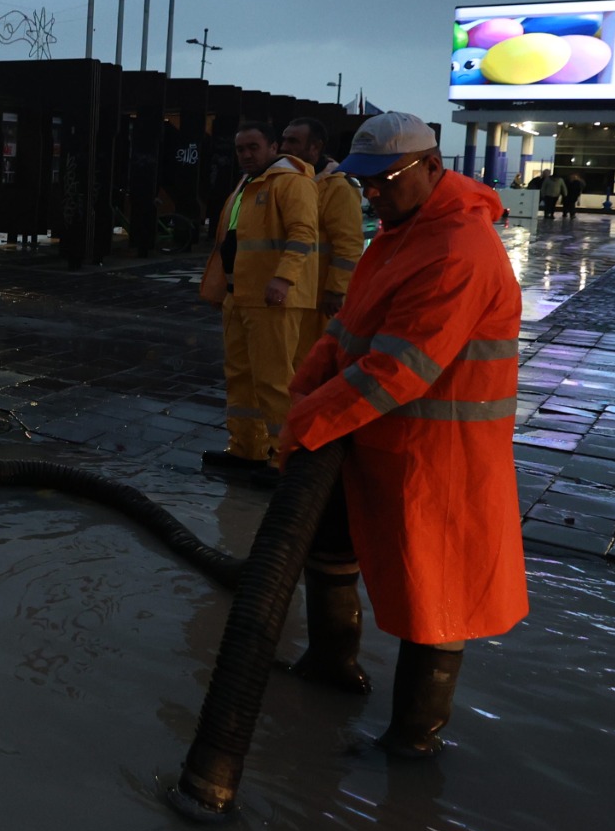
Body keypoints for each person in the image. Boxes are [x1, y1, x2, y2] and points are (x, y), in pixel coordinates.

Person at [277, 112, 524, 758]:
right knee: (330, 544)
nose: (372, 195)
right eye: (364, 184)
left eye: (384, 181)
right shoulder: (398, 233)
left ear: (432, 168)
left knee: (432, 592)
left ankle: (415, 738)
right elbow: (350, 328)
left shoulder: (456, 251)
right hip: (374, 438)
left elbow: (398, 369)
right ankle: (332, 665)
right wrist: (309, 385)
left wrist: (308, 421)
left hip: (437, 456)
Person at [200, 121, 319, 482]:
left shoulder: (290, 182)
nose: (246, 155)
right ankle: (246, 449)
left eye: (253, 147)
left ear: (272, 147)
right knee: (241, 376)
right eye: (240, 149)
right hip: (241, 295)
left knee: (274, 381)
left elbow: (303, 234)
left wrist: (283, 278)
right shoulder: (248, 184)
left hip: (273, 298)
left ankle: (284, 459)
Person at [284, 117, 365, 319]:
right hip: (290, 289)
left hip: (318, 295)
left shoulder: (338, 187)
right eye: (284, 140)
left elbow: (348, 242)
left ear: (316, 146)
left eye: (293, 142)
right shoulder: (288, 181)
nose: (284, 147)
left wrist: (336, 289)